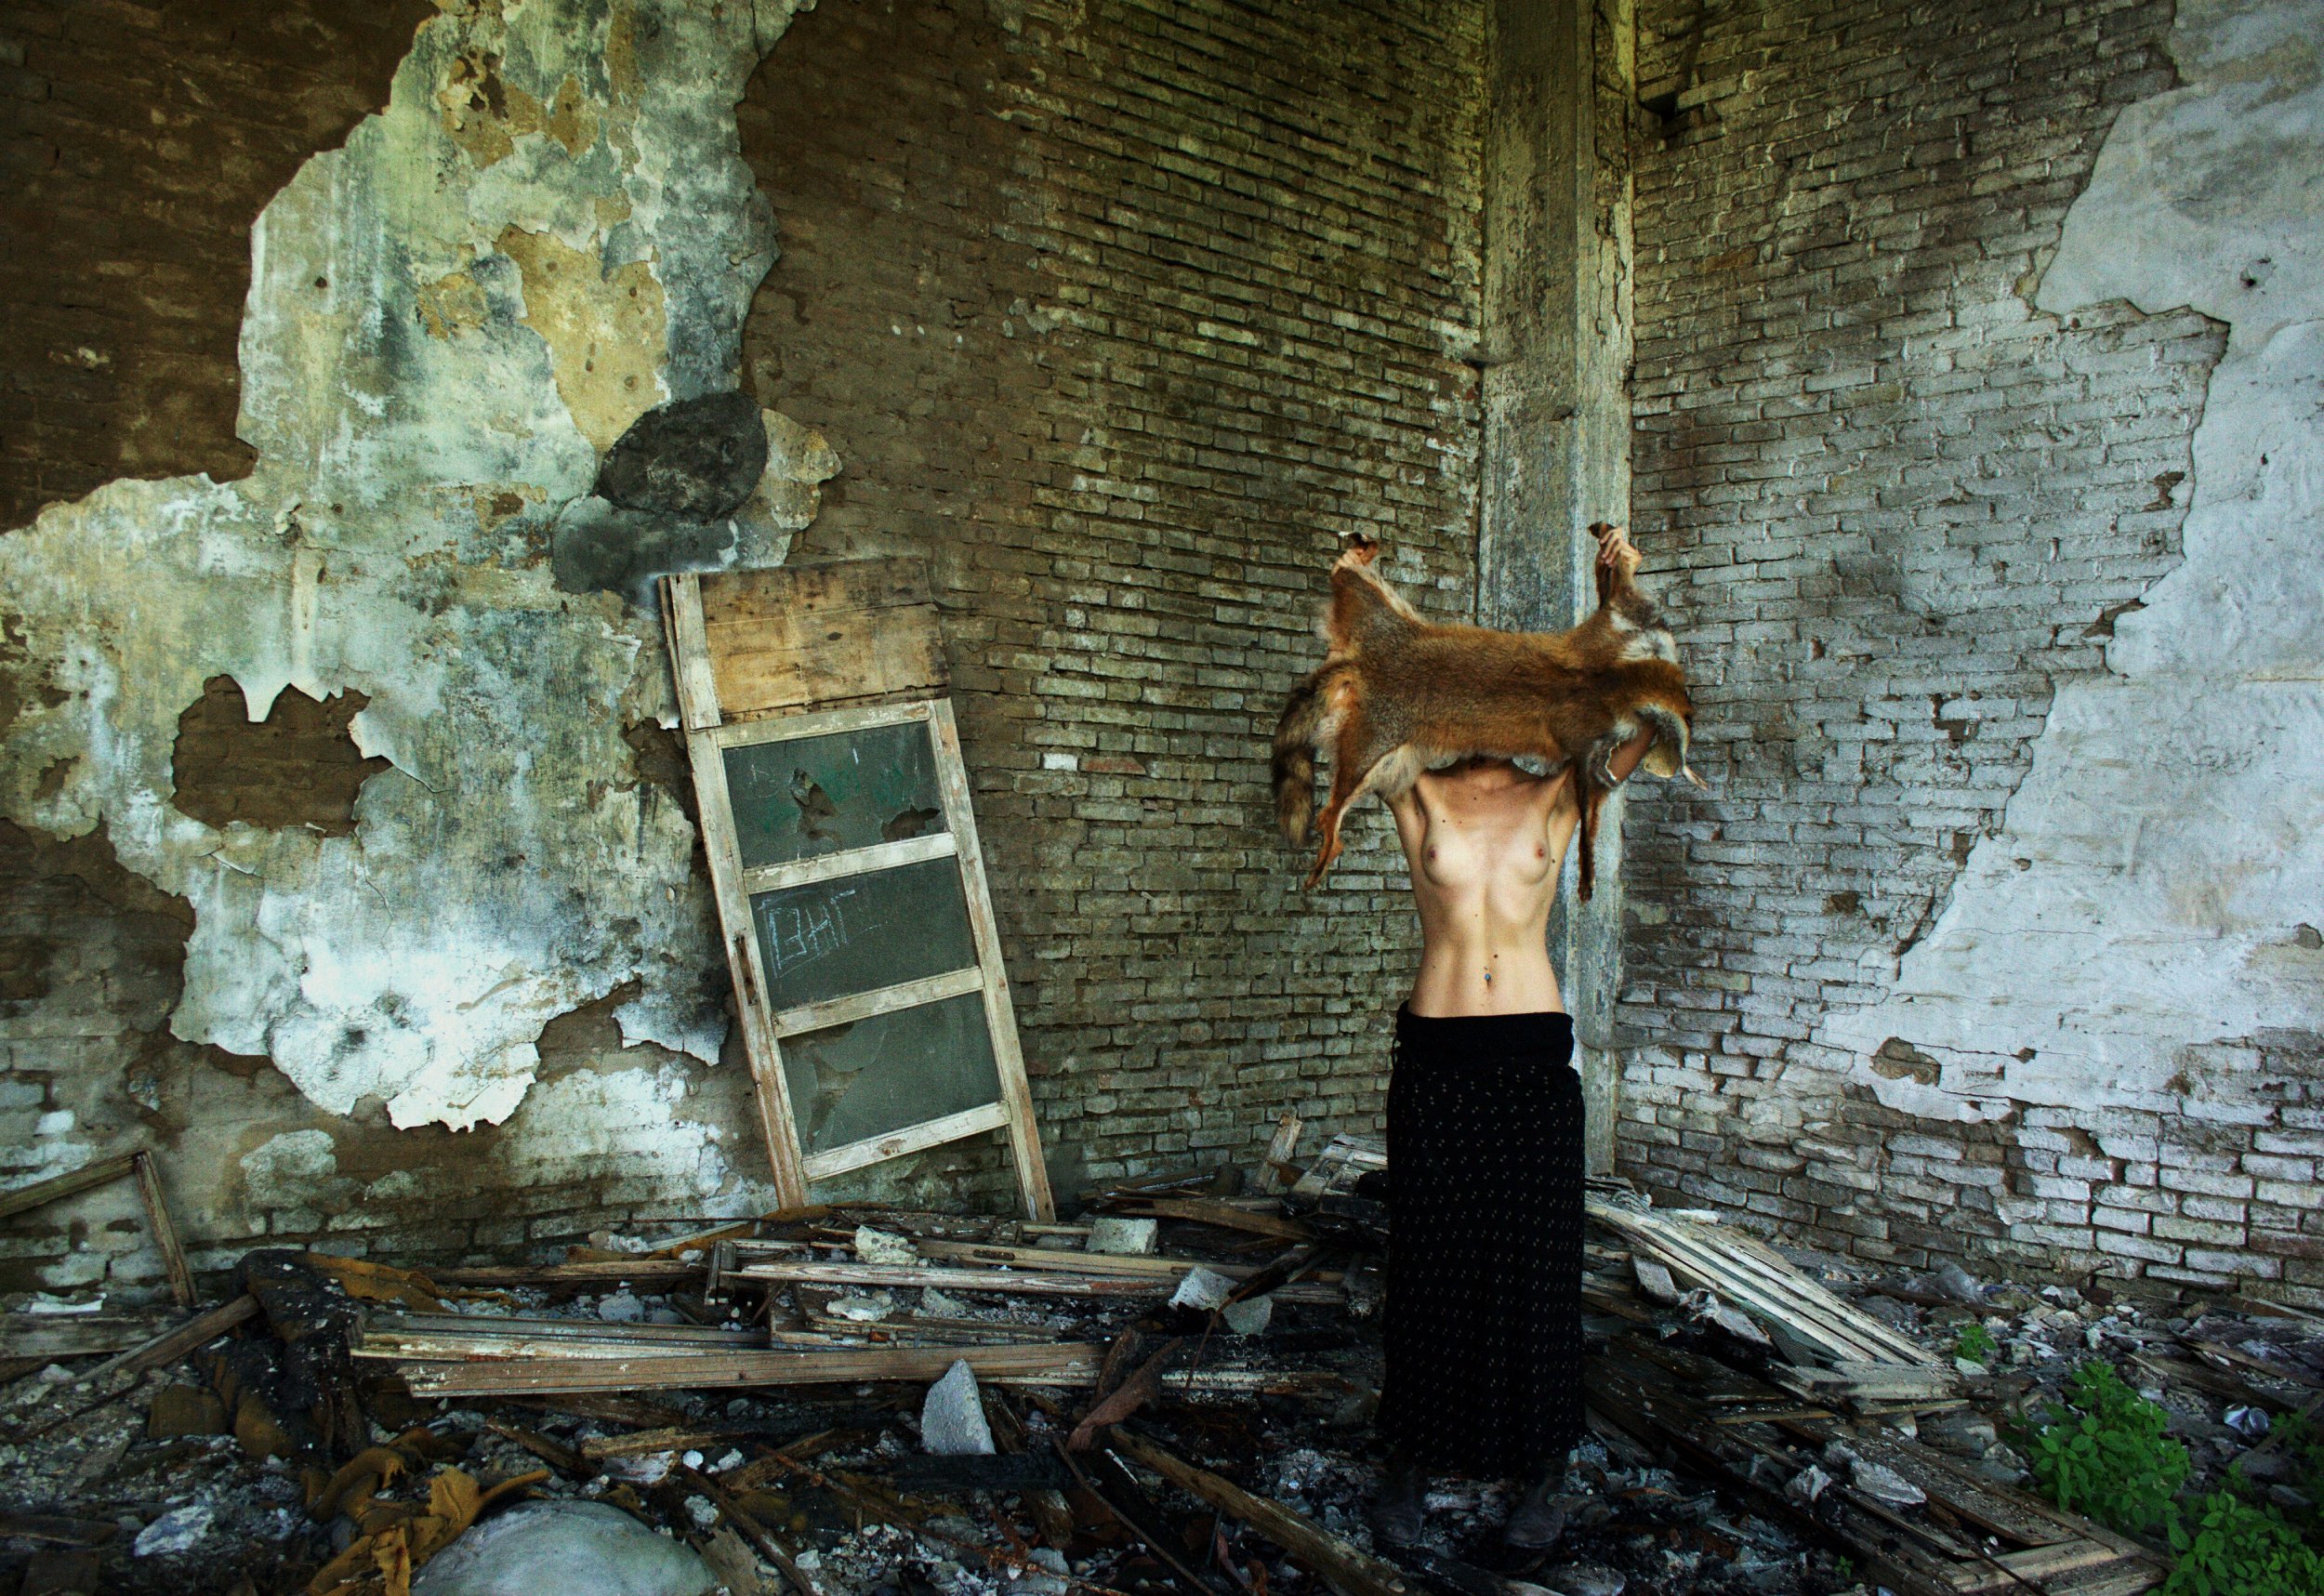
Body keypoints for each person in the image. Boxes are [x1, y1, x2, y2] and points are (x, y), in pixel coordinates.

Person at [1367, 524, 1656, 1549]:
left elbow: (1649, 716)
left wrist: (1617, 598)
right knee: (1429, 1263)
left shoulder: (1562, 793)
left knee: (1534, 1267)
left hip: (1533, 1061)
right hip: (1438, 1059)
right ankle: (1410, 1460)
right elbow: (1350, 714)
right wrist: (1365, 596)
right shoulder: (1415, 789)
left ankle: (1542, 1467)